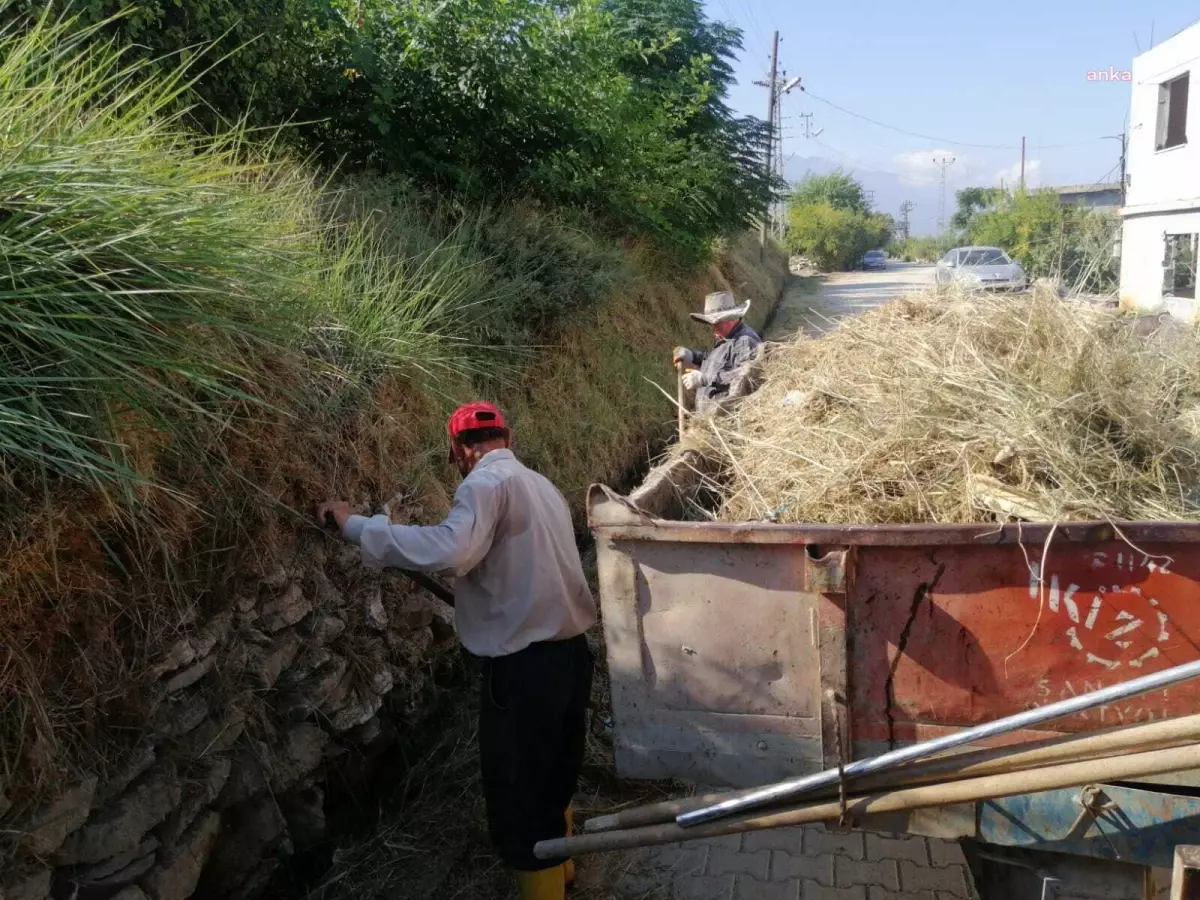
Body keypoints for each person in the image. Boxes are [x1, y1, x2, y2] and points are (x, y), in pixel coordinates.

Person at [317, 401, 597, 900]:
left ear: (459, 451)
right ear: (505, 439)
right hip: (571, 657)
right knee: (554, 773)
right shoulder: (542, 486)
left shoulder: (485, 484)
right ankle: (564, 872)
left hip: (525, 671)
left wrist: (356, 526)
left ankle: (546, 888)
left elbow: (451, 549)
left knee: (518, 795)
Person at [672, 290, 763, 411]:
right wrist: (693, 356)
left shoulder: (744, 342)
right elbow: (717, 360)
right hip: (711, 416)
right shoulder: (727, 337)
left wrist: (705, 378)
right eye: (712, 324)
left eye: (717, 324)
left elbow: (744, 376)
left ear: (730, 319)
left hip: (726, 420)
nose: (713, 329)